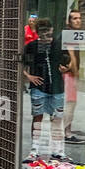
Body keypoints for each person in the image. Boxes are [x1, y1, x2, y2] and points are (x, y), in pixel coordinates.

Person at [23, 17, 69, 159]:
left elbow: (69, 62)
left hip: (56, 86)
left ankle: (57, 150)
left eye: (48, 32)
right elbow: (21, 64)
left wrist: (65, 68)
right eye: (43, 33)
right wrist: (29, 76)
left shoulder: (58, 44)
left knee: (56, 118)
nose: (46, 36)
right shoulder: (32, 46)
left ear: (51, 30)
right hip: (40, 86)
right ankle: (35, 148)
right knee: (38, 117)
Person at [62, 9, 84, 143]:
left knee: (71, 103)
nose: (78, 20)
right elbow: (72, 57)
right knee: (70, 103)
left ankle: (66, 130)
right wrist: (76, 74)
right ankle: (66, 132)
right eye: (75, 18)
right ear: (69, 21)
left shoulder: (75, 34)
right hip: (69, 75)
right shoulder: (69, 35)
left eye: (79, 18)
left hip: (71, 74)